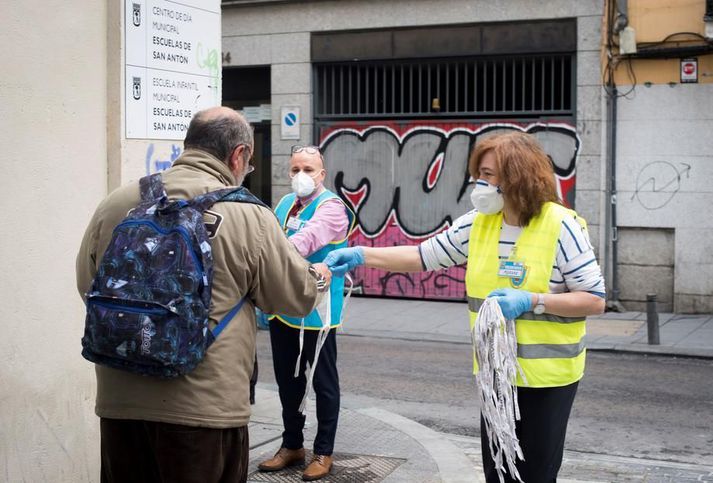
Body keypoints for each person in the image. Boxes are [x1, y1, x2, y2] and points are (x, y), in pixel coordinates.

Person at [324, 131, 606, 483]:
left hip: (548, 380)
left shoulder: (560, 225)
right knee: (498, 470)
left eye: (488, 175)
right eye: (478, 174)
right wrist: (361, 254)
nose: (479, 183)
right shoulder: (479, 222)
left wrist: (533, 301)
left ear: (516, 175)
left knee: (534, 474)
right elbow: (422, 256)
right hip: (496, 377)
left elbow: (594, 299)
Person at [76, 107, 332, 483]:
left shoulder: (120, 200)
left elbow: (87, 282)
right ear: (238, 155)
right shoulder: (249, 215)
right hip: (206, 409)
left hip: (120, 403)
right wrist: (318, 278)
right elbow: (294, 297)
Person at [258, 145, 355, 481]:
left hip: (319, 312)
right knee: (288, 381)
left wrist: (265, 255)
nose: (301, 175)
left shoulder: (332, 208)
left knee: (324, 384)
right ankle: (292, 445)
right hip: (284, 308)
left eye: (309, 169)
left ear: (322, 174)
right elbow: (269, 235)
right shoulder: (285, 204)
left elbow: (305, 241)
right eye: (296, 168)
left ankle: (324, 451)